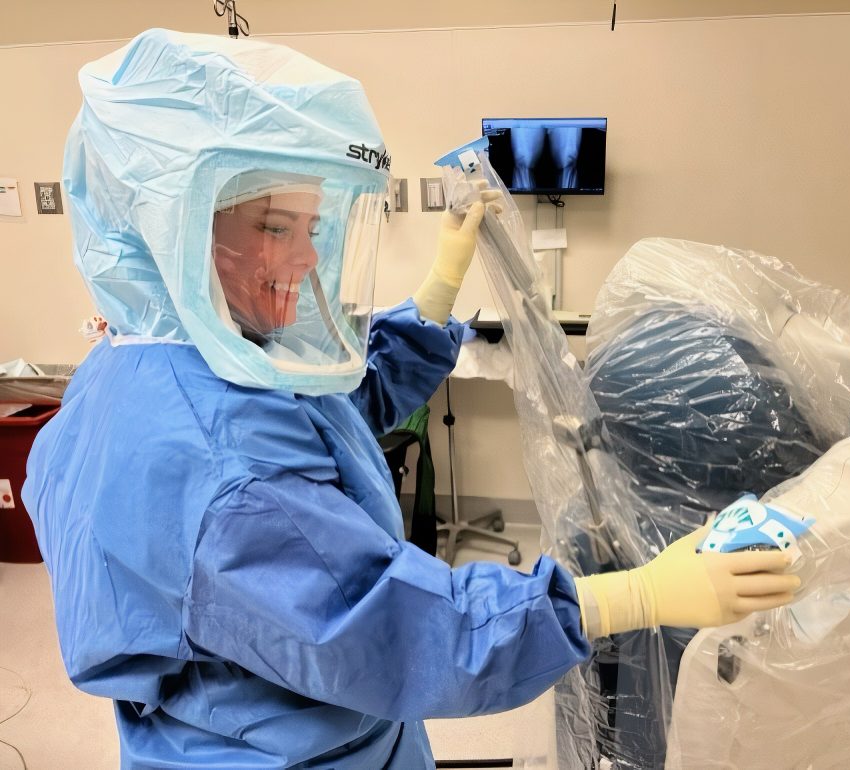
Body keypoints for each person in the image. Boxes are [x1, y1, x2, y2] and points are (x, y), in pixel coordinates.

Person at [24, 30, 799, 769]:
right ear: (174, 227)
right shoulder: (223, 469)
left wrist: (440, 282)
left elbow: (333, 420)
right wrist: (634, 596)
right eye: (273, 227)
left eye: (314, 227)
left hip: (277, 728)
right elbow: (389, 627)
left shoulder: (157, 368)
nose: (304, 260)